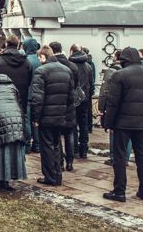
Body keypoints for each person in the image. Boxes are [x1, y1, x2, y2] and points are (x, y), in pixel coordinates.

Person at [102, 47, 143, 203]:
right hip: (141, 123)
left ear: (124, 60)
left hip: (122, 123)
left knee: (119, 157)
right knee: (142, 156)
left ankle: (119, 191)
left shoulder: (119, 75)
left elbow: (113, 102)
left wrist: (108, 122)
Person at [30, 46, 74, 186]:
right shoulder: (66, 70)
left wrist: (36, 118)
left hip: (46, 116)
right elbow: (71, 96)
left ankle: (50, 176)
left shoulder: (41, 71)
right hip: (61, 115)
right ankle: (57, 174)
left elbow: (37, 98)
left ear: (43, 57)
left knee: (47, 146)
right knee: (56, 145)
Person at [0, 35, 32, 151]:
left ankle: (4, 147)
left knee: (2, 125)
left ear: (6, 44)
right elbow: (29, 80)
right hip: (20, 98)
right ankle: (24, 146)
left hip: (1, 99)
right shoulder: (26, 62)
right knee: (20, 124)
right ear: (18, 45)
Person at [49, 41, 78, 171]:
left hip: (56, 104)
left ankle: (59, 160)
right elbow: (75, 86)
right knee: (69, 134)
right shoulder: (72, 66)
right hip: (69, 104)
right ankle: (70, 162)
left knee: (57, 135)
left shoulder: (51, 66)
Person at [99, 51, 132, 166]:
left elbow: (105, 90)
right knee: (128, 135)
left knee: (113, 132)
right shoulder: (131, 71)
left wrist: (101, 106)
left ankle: (114, 157)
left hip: (113, 104)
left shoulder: (111, 71)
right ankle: (126, 158)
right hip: (128, 106)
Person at [69, 44, 93, 159]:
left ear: (72, 51)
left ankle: (74, 149)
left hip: (73, 98)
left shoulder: (70, 65)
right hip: (84, 99)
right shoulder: (88, 66)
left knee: (73, 124)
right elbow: (91, 84)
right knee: (83, 124)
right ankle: (84, 149)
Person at [23, 38, 41, 153]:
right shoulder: (40, 60)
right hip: (39, 95)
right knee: (36, 121)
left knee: (27, 121)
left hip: (28, 95)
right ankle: (37, 144)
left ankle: (27, 144)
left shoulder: (26, 61)